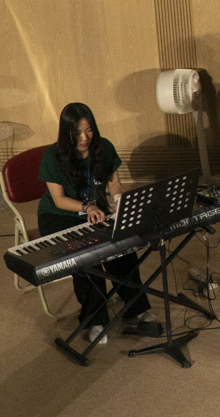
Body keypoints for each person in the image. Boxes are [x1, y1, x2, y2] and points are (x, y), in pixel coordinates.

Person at [37, 102, 158, 344]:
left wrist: (120, 202)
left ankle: (135, 309)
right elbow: (59, 200)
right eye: (77, 133)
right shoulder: (53, 156)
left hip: (96, 212)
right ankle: (95, 319)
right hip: (59, 216)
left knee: (122, 248)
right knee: (87, 258)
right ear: (66, 132)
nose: (85, 138)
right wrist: (87, 207)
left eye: (89, 130)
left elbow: (115, 184)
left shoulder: (104, 148)